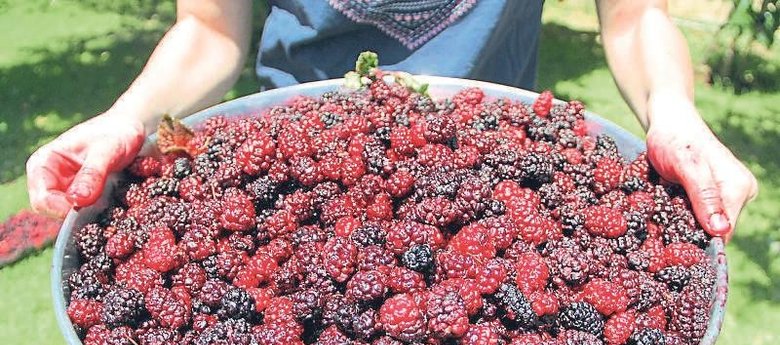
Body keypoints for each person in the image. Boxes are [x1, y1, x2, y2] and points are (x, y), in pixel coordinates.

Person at [26, 0, 757, 240]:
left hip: (493, 182)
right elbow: (210, 28)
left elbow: (635, 15)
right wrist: (130, 115)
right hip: (290, 179)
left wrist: (674, 108)